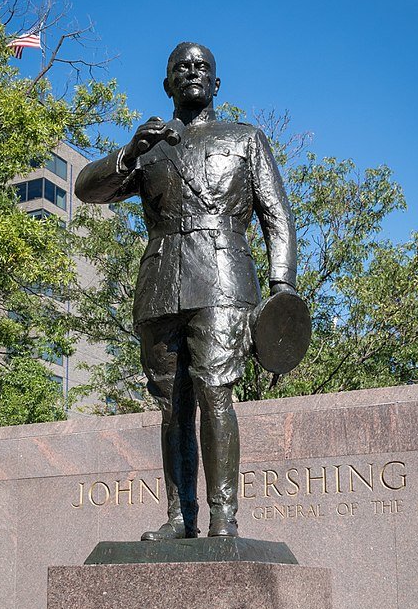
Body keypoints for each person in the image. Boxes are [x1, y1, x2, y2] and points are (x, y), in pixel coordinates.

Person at [75, 42, 297, 539]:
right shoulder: (149, 146)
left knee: (214, 391)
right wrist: (128, 151)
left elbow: (277, 217)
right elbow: (86, 190)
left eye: (202, 67)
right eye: (182, 67)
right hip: (158, 285)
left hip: (222, 279)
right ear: (167, 83)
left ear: (216, 84)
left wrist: (282, 288)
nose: (192, 72)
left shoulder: (246, 139)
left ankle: (223, 516)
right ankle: (180, 517)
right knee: (172, 405)